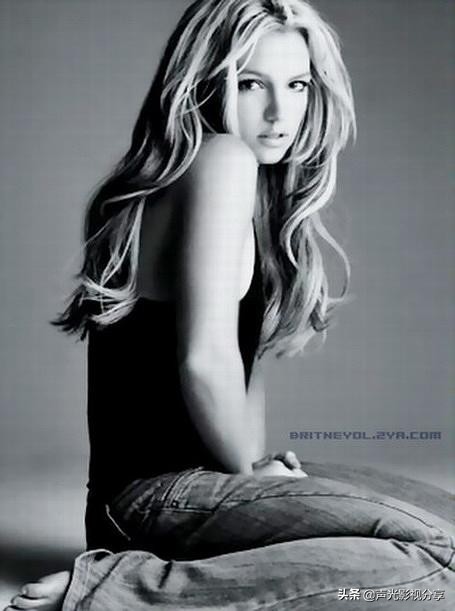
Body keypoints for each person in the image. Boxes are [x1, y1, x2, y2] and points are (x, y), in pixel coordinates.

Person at [6, 0, 455, 609]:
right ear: (202, 85)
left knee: (446, 530)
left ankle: (208, 571)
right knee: (440, 563)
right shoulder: (223, 159)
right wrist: (248, 476)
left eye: (297, 85)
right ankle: (125, 589)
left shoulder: (243, 188)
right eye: (251, 84)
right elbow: (206, 360)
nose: (279, 113)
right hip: (154, 501)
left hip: (188, 495)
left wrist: (260, 485)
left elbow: (243, 369)